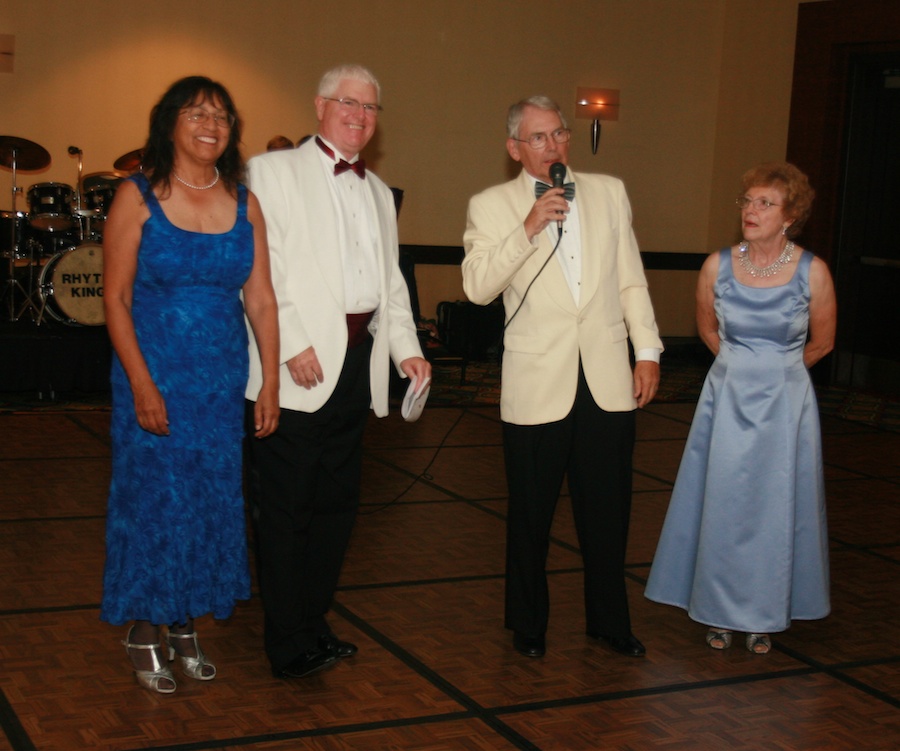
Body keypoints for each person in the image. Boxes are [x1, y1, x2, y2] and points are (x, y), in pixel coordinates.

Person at [245, 64, 430, 679]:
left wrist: (405, 347)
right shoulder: (271, 172)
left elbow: (391, 287)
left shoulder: (379, 192)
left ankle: (314, 619)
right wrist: (289, 343)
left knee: (335, 508)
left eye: (371, 108)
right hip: (296, 363)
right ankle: (285, 638)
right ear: (320, 106)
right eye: (349, 103)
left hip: (358, 367)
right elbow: (257, 267)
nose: (360, 115)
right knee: (287, 508)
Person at [462, 96, 662, 659]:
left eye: (559, 135)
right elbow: (477, 287)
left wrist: (646, 350)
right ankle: (528, 623)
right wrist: (528, 227)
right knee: (530, 515)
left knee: (608, 512)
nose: (553, 147)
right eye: (539, 138)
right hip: (536, 383)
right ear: (514, 148)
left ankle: (609, 621)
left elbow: (631, 280)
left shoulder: (608, 192)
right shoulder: (491, 205)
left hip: (605, 377)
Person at [100, 76, 280, 694]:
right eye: (198, 113)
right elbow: (116, 301)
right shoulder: (137, 196)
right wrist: (143, 385)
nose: (211, 124)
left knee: (207, 505)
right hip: (154, 380)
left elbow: (260, 301)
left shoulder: (244, 201)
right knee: (154, 504)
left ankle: (184, 624)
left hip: (219, 383)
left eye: (223, 116)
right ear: (169, 123)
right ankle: (145, 628)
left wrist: (270, 384)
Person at [644, 162, 836, 655]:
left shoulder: (814, 270)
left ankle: (765, 615)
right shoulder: (717, 265)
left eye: (764, 203)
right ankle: (717, 611)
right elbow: (707, 330)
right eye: (747, 202)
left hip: (785, 404)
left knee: (775, 508)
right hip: (726, 400)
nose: (751, 211)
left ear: (790, 215)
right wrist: (737, 368)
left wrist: (779, 373)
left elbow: (822, 343)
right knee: (723, 503)